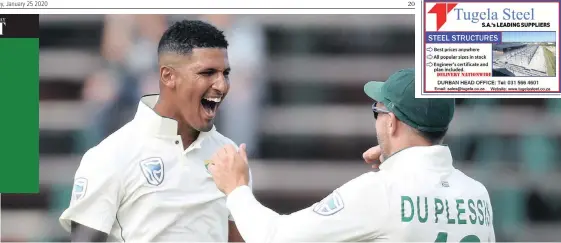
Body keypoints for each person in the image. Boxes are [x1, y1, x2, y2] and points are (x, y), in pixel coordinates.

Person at [207, 68, 495, 242]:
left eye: (378, 111)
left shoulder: (379, 191)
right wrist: (396, 158)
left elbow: (274, 237)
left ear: (392, 122)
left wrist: (236, 188)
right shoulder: (477, 194)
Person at [59, 20, 250, 242]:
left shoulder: (231, 156)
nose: (221, 85)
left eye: (225, 73)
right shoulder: (109, 156)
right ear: (168, 76)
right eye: (207, 73)